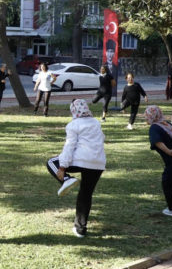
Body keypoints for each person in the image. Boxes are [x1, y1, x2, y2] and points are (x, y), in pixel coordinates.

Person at [45, 99, 106, 238]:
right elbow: (102, 138)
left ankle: (66, 180)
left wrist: (62, 167)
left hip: (81, 160)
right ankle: (80, 229)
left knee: (51, 162)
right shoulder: (96, 122)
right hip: (98, 163)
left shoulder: (73, 125)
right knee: (86, 193)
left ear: (73, 110)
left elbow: (69, 146)